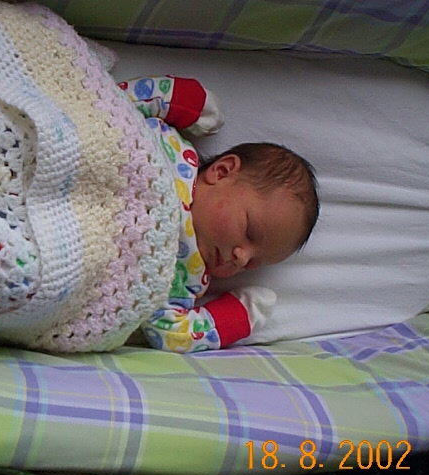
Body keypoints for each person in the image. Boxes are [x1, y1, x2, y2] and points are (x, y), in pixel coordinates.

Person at [119, 76, 319, 353]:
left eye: (252, 264)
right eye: (249, 232)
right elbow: (118, 105)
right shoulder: (170, 151)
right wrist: (186, 101)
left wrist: (235, 317)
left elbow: (169, 333)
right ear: (222, 172)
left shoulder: (183, 278)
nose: (242, 258)